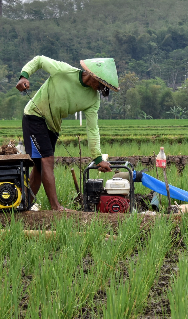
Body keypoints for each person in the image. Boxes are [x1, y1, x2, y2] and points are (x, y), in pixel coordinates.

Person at [16, 56, 119, 211]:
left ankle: (24, 206)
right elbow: (39, 60)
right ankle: (56, 207)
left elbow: (92, 129)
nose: (100, 89)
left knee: (39, 166)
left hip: (53, 126)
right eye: (100, 84)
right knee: (47, 160)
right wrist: (24, 76)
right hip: (34, 115)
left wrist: (98, 158)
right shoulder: (63, 71)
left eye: (104, 87)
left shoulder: (93, 99)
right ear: (92, 74)